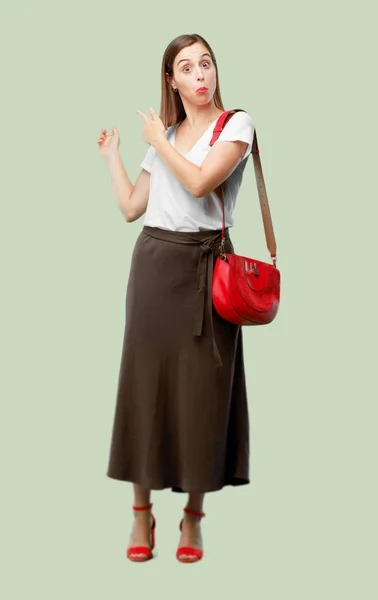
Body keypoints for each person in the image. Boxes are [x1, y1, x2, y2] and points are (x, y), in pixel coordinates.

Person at [97, 33, 255, 563]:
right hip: (153, 269)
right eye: (185, 67)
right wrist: (114, 156)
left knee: (201, 395)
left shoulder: (235, 125)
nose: (199, 74)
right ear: (172, 80)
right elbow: (130, 207)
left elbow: (199, 183)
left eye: (205, 63)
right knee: (145, 387)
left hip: (208, 270)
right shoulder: (161, 135)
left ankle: (193, 517)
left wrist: (158, 142)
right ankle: (140, 512)